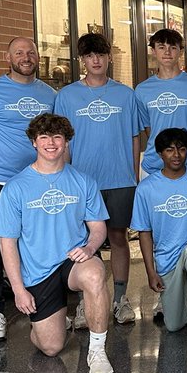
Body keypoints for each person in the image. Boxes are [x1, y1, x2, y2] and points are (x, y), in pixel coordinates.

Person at [0, 113, 114, 373]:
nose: (51, 143)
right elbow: (7, 244)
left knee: (95, 275)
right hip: (38, 271)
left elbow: (97, 228)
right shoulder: (15, 188)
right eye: (44, 137)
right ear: (34, 142)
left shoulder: (83, 182)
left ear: (66, 142)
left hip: (73, 260)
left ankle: (97, 350)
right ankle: (52, 322)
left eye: (57, 137)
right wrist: (18, 290)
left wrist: (91, 248)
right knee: (51, 347)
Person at [0, 36, 57, 344]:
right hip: (1, 184)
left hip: (39, 183)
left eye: (31, 52)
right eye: (19, 52)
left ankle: (48, 308)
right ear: (8, 57)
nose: (26, 56)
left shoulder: (50, 94)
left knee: (42, 246)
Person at [54, 32, 144, 326]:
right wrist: (64, 179)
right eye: (89, 56)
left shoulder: (125, 94)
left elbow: (134, 138)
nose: (96, 60)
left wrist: (133, 176)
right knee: (83, 242)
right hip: (82, 182)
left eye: (101, 55)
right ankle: (86, 302)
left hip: (119, 181)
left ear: (108, 58)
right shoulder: (66, 96)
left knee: (118, 238)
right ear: (82, 60)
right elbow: (63, 142)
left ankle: (119, 299)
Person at [131, 127, 187, 359]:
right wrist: (150, 272)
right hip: (166, 256)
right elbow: (144, 232)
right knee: (173, 324)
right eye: (170, 150)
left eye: (181, 149)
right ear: (160, 154)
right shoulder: (146, 189)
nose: (176, 155)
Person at [136, 27, 187, 177]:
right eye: (161, 47)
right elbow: (149, 129)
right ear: (153, 51)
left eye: (172, 47)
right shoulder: (142, 90)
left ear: (180, 52)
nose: (167, 52)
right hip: (154, 165)